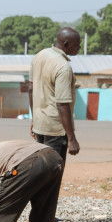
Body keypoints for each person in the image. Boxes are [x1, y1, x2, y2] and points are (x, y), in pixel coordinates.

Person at [28, 27, 81, 161]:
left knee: (42, 171)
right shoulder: (63, 67)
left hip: (40, 126)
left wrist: (34, 119)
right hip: (56, 130)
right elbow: (62, 104)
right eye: (77, 45)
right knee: (53, 173)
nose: (79, 48)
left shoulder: (39, 56)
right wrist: (71, 139)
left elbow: (30, 89)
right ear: (66, 44)